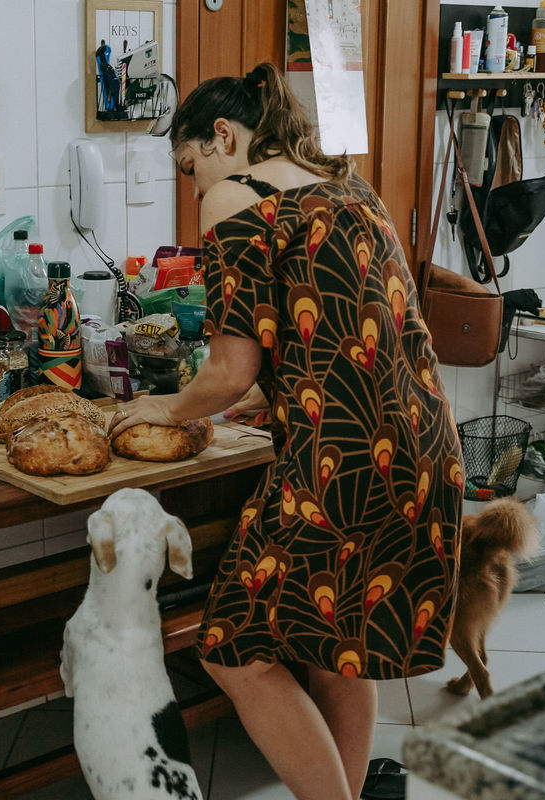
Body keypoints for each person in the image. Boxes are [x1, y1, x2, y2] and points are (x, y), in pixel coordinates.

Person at [108, 62, 463, 800]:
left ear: (223, 137)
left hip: (343, 463)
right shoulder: (344, 183)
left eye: (189, 167)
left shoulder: (234, 196)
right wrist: (277, 394)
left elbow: (230, 369)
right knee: (336, 652)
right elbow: (345, 330)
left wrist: (167, 407)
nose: (194, 188)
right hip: (424, 446)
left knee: (233, 653)